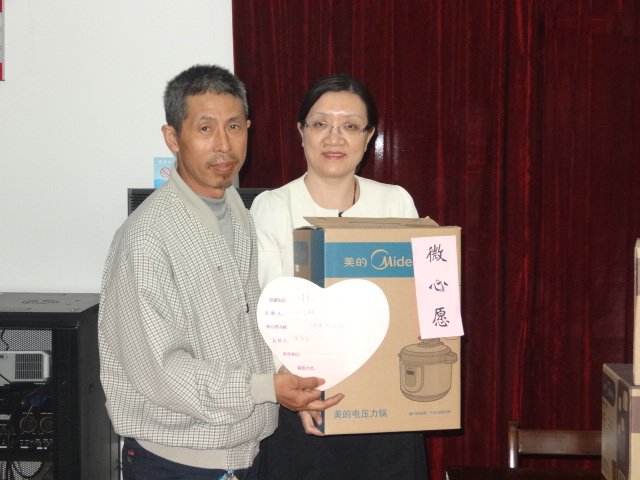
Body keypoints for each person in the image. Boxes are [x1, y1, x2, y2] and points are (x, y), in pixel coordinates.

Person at [98, 64, 342, 480]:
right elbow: (162, 372)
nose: (224, 145)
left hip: (243, 453)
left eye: (234, 126)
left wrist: (286, 372)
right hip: (178, 463)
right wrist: (266, 387)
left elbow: (244, 329)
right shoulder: (146, 238)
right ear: (173, 137)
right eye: (206, 128)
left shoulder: (237, 211)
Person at [250, 74, 429, 479]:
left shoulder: (395, 202)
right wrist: (293, 389)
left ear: (369, 137)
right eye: (321, 123)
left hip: (386, 406)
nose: (335, 137)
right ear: (301, 131)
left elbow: (418, 305)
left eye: (350, 125)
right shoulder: (272, 207)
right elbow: (260, 312)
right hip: (305, 406)